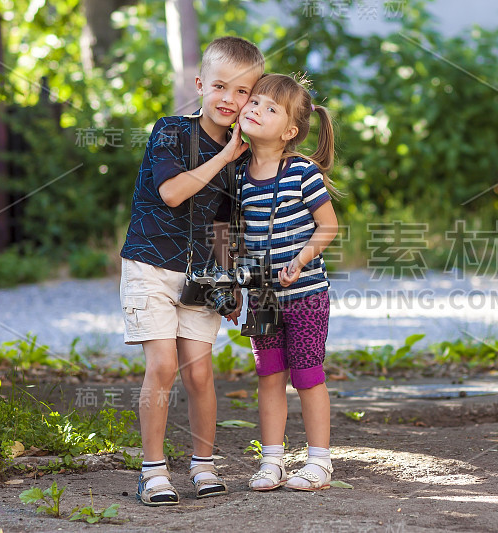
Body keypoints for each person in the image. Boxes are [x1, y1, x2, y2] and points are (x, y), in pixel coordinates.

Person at [119, 36, 264, 506]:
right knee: (163, 365)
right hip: (150, 265)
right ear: (201, 85)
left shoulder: (250, 158)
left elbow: (230, 222)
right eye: (220, 86)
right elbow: (172, 194)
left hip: (205, 277)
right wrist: (226, 156)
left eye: (243, 92)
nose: (230, 99)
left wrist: (234, 280)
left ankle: (203, 465)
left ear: (254, 95)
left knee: (200, 374)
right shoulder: (171, 132)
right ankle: (153, 471)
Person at [237, 73, 339, 491]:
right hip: (262, 297)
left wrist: (300, 259)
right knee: (269, 376)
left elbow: (328, 226)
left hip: (306, 295)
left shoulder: (301, 171)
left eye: (270, 108)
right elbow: (236, 235)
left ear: (290, 130)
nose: (257, 109)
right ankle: (272, 461)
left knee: (308, 375)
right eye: (255, 102)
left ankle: (319, 462)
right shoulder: (238, 174)